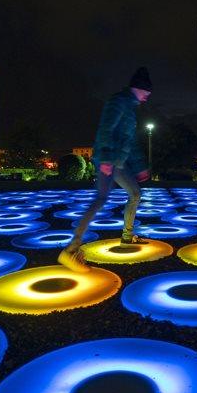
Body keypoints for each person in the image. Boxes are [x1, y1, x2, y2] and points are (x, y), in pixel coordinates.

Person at [58, 67, 153, 272]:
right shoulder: (118, 101)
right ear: (138, 88)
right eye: (147, 92)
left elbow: (132, 142)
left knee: (135, 193)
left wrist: (140, 166)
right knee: (100, 199)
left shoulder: (130, 108)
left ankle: (127, 237)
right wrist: (106, 159)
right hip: (108, 160)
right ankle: (71, 250)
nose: (147, 97)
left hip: (118, 162)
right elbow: (106, 129)